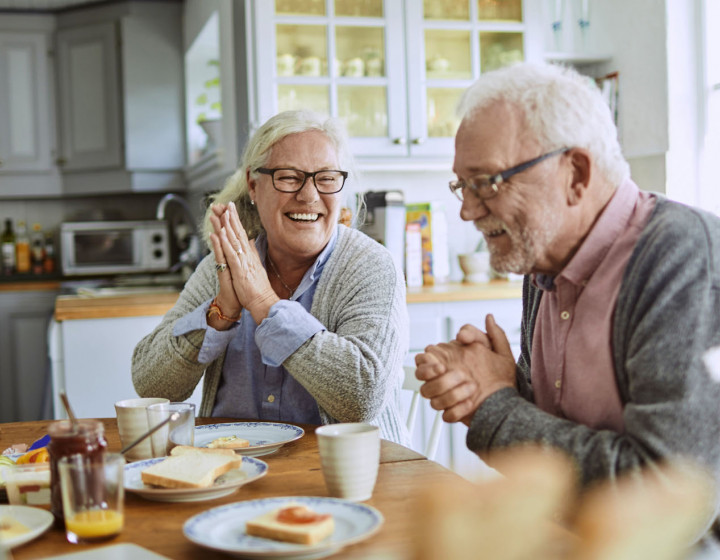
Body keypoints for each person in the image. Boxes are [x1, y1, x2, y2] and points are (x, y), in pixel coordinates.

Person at [414, 62, 720, 548]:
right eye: (462, 186)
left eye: (487, 182)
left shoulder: (681, 256)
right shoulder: (545, 257)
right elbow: (556, 431)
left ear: (575, 173)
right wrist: (494, 385)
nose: (468, 210)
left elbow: (669, 491)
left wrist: (496, 406)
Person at [133, 110, 409, 445]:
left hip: (345, 479)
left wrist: (264, 304)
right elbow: (151, 386)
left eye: (326, 178)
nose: (309, 196)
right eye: (289, 177)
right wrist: (221, 312)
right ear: (253, 184)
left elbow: (362, 398)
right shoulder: (223, 265)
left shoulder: (370, 265)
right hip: (233, 473)